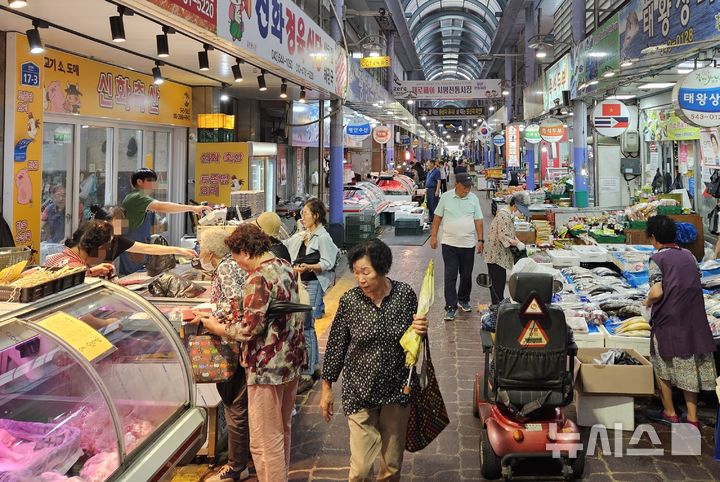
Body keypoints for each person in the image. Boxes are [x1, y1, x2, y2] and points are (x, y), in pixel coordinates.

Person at [197, 224, 305, 482]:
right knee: (281, 430)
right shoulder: (284, 265)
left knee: (265, 440)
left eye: (235, 256)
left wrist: (217, 327)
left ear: (245, 252)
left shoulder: (258, 277)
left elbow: (249, 329)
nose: (236, 263)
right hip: (291, 360)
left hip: (266, 366)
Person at [320, 239, 428, 482]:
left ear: (383, 268)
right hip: (360, 391)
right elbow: (337, 343)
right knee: (359, 470)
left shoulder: (404, 296)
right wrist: (326, 387)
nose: (360, 279)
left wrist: (421, 328)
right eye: (356, 272)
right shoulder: (350, 301)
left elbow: (415, 340)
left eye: (366, 272)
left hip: (397, 389)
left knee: (391, 466)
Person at [643, 215, 716, 428]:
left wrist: (646, 301)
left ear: (654, 238)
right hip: (693, 319)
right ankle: (692, 417)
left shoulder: (657, 259)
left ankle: (670, 412)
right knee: (689, 367)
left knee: (662, 365)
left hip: (669, 320)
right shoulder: (689, 255)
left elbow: (656, 292)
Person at [194, 227, 250, 482]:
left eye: (201, 246)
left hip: (232, 343)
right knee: (238, 404)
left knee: (234, 404)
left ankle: (237, 465)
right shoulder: (228, 266)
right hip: (237, 341)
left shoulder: (226, 268)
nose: (199, 250)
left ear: (210, 251)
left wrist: (211, 320)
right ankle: (242, 459)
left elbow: (234, 304)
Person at [284, 199, 339, 393]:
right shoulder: (303, 235)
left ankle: (309, 369)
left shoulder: (322, 237)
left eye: (306, 214)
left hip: (313, 283)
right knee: (306, 325)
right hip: (300, 282)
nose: (302, 217)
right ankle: (313, 364)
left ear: (316, 216)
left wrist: (309, 267)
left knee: (307, 325)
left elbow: (328, 262)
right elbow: (285, 245)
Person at [119, 168, 210, 275]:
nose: (154, 185)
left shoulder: (137, 198)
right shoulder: (138, 197)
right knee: (131, 278)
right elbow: (162, 206)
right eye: (150, 181)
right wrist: (193, 208)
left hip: (138, 246)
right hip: (133, 247)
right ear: (139, 182)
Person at [45, 219, 196, 277]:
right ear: (100, 247)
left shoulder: (57, 258)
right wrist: (105, 323)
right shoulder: (75, 270)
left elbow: (147, 248)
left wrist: (91, 271)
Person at [430, 172, 484, 321]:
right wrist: (433, 236)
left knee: (466, 275)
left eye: (468, 187)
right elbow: (437, 217)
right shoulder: (446, 197)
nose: (467, 190)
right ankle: (450, 307)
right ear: (456, 185)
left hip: (468, 245)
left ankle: (463, 299)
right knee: (450, 275)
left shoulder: (473, 198)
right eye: (464, 187)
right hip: (449, 244)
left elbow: (478, 220)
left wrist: (481, 240)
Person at [484, 192, 528, 305]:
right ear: (514, 206)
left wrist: (517, 241)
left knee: (499, 282)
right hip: (496, 256)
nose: (520, 212)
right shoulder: (504, 216)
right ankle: (497, 309)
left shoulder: (508, 215)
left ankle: (498, 305)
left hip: (499, 256)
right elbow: (503, 236)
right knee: (497, 283)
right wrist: (517, 244)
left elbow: (510, 233)